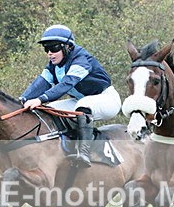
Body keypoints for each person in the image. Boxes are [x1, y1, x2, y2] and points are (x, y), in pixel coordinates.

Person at [19, 24, 121, 167]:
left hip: (107, 99)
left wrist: (39, 99)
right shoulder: (53, 65)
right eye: (46, 49)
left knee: (82, 107)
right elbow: (41, 83)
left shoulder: (82, 59)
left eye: (54, 48)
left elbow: (66, 84)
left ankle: (84, 153)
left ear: (68, 47)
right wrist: (21, 99)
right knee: (49, 109)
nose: (49, 53)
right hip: (80, 100)